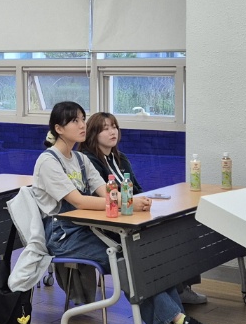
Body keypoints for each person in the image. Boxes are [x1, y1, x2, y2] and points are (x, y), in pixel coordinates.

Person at [31, 102, 217, 324]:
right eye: (75, 121)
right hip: (63, 236)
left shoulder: (80, 159)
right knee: (127, 261)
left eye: (83, 119)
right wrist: (125, 203)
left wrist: (130, 201)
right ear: (58, 128)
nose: (82, 125)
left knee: (142, 253)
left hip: (87, 229)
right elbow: (79, 201)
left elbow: (106, 192)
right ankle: (176, 323)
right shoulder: (48, 162)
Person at [80, 111, 206, 307]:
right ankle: (175, 292)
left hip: (133, 214)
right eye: (105, 129)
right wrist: (133, 204)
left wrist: (144, 202)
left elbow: (137, 189)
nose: (112, 132)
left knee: (180, 227)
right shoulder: (90, 161)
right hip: (112, 220)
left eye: (114, 127)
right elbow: (102, 197)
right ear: (93, 134)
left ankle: (182, 288)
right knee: (163, 236)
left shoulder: (120, 158)